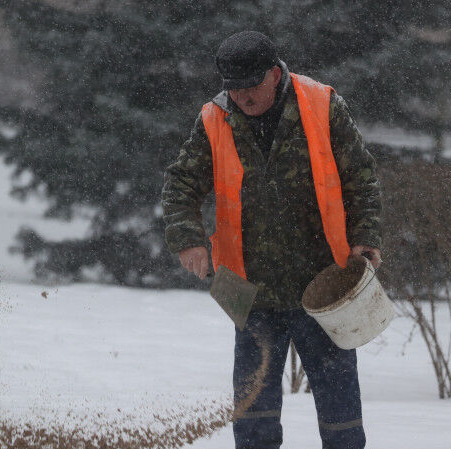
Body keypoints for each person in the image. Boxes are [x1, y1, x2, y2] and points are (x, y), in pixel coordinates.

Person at [161, 30, 381, 449]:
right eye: (234, 87)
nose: (243, 96)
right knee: (253, 418)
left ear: (275, 74)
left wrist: (366, 237)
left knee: (341, 417)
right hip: (246, 286)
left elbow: (362, 180)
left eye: (251, 85)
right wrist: (188, 238)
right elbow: (180, 183)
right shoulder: (214, 117)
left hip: (324, 283)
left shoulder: (322, 104)